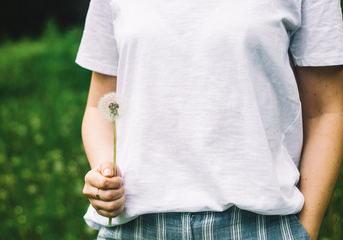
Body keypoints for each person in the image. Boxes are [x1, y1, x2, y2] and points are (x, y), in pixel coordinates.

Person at [76, 0, 343, 239]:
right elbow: (99, 106)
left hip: (261, 226)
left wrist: (306, 230)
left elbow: (325, 111)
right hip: (133, 227)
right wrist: (105, 175)